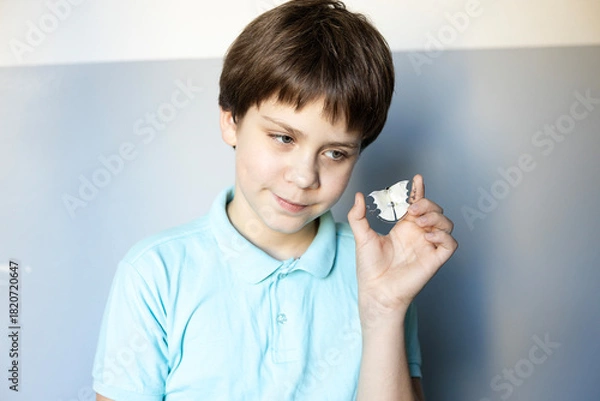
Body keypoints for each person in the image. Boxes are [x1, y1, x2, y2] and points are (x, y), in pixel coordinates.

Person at [93, 1, 458, 400]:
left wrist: (386, 309)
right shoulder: (155, 275)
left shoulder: (378, 269)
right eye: (284, 138)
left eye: (335, 153)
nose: (304, 177)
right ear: (231, 121)